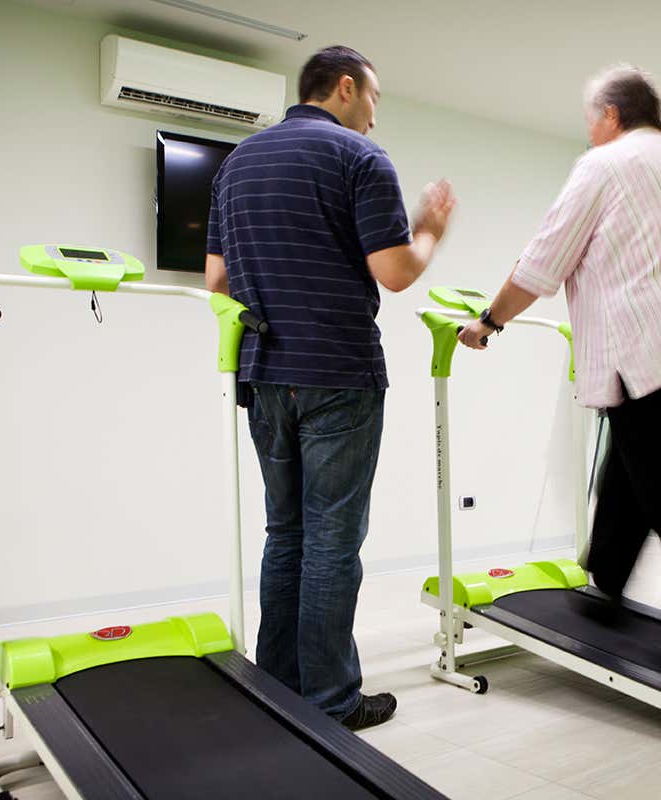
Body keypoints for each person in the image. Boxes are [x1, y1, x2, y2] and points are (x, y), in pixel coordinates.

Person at [458, 64, 661, 665]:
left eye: (592, 118)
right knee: (632, 468)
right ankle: (607, 585)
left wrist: (489, 321)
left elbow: (544, 259)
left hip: (655, 349)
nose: (590, 130)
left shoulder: (605, 163)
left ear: (612, 115)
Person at [206, 45, 455, 729]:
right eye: (375, 99)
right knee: (331, 543)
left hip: (262, 372)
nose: (375, 117)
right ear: (346, 88)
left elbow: (215, 284)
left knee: (284, 533)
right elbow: (397, 272)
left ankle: (277, 685)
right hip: (339, 373)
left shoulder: (235, 165)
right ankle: (331, 702)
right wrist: (431, 229)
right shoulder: (359, 158)